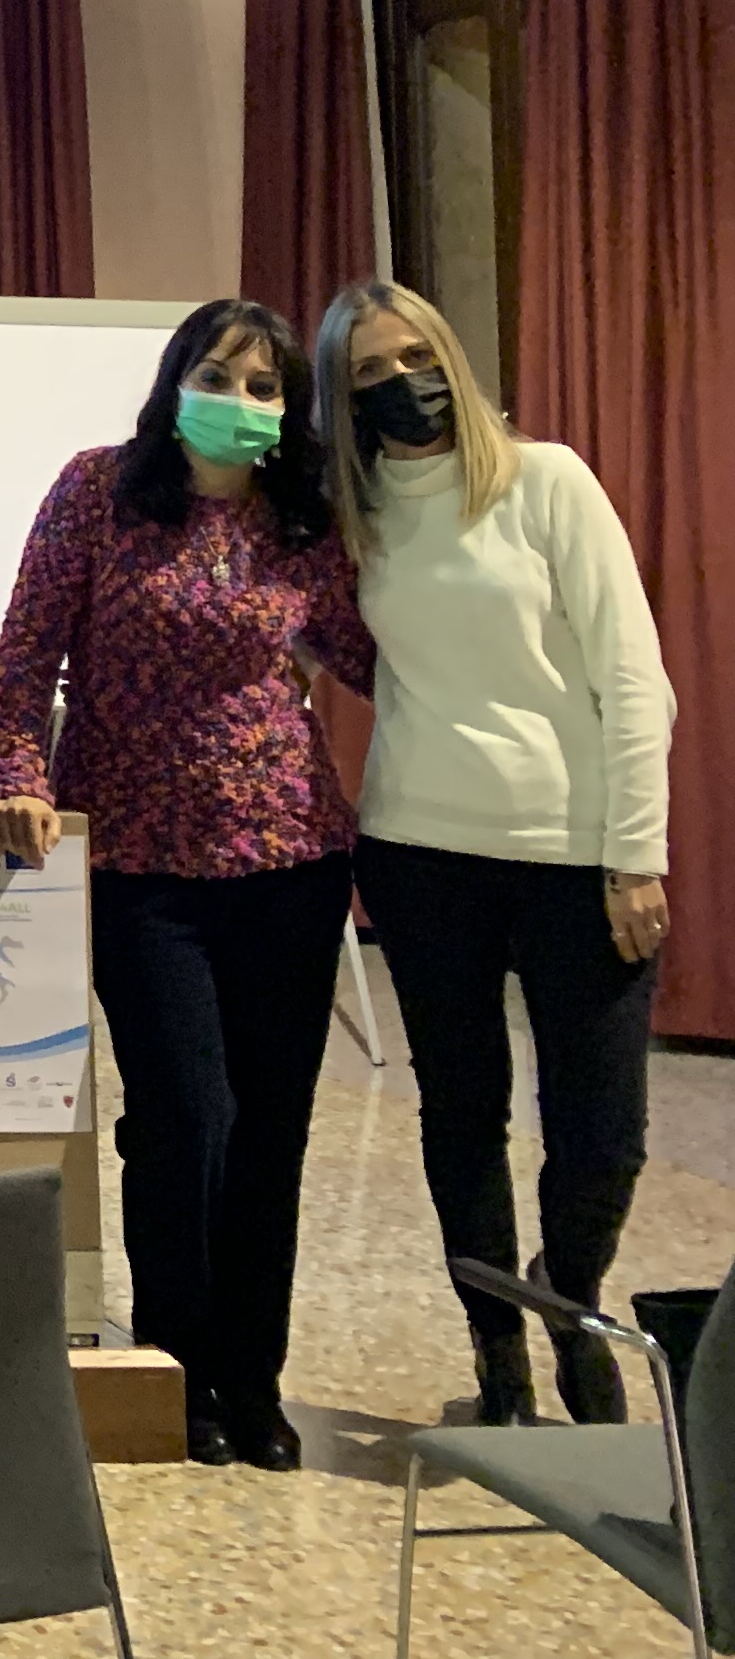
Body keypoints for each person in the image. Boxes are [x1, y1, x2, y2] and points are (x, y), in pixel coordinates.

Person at [0, 296, 371, 1473]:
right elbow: (25, 658)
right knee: (182, 1117)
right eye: (218, 376)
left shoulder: (302, 520)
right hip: (140, 860)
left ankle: (252, 1379)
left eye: (264, 387)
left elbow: (368, 654)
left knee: (271, 1125)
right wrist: (18, 776)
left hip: (291, 856)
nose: (239, 402)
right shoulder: (98, 490)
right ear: (174, 383)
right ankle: (174, 1364)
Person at [321, 280, 673, 1429]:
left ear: (454, 359)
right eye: (369, 373)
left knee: (603, 1132)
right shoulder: (354, 514)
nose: (400, 383)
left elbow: (634, 678)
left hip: (577, 857)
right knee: (462, 1117)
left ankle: (569, 1299)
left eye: (415, 357)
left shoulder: (546, 481)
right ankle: (498, 1352)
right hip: (421, 855)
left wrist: (636, 854)